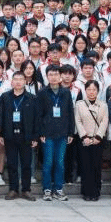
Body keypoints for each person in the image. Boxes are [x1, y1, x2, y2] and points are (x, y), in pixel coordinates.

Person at [0, 71, 38, 201]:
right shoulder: (5, 97)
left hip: (26, 136)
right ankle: (13, 189)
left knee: (26, 164)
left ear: (25, 81)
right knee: (12, 164)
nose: (18, 82)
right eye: (16, 79)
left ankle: (26, 190)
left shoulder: (32, 98)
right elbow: (1, 116)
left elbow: (36, 119)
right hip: (10, 135)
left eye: (21, 79)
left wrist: (35, 137)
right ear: (12, 82)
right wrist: (1, 133)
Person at [37, 64, 75, 202]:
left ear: (60, 76)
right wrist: (40, 132)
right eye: (50, 75)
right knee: (48, 162)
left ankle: (58, 189)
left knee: (60, 162)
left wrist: (70, 132)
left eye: (55, 74)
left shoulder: (66, 92)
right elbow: (38, 114)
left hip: (62, 133)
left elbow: (70, 113)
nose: (53, 77)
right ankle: (47, 189)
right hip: (47, 133)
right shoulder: (42, 92)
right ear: (47, 76)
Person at [74, 80, 108, 201]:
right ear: (85, 90)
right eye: (89, 89)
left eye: (94, 89)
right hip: (84, 140)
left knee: (96, 166)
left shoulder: (103, 105)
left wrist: (98, 137)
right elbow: (78, 121)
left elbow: (104, 121)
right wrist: (84, 137)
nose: (91, 92)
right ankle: (86, 192)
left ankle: (96, 192)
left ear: (98, 91)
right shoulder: (79, 104)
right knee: (85, 166)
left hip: (98, 140)